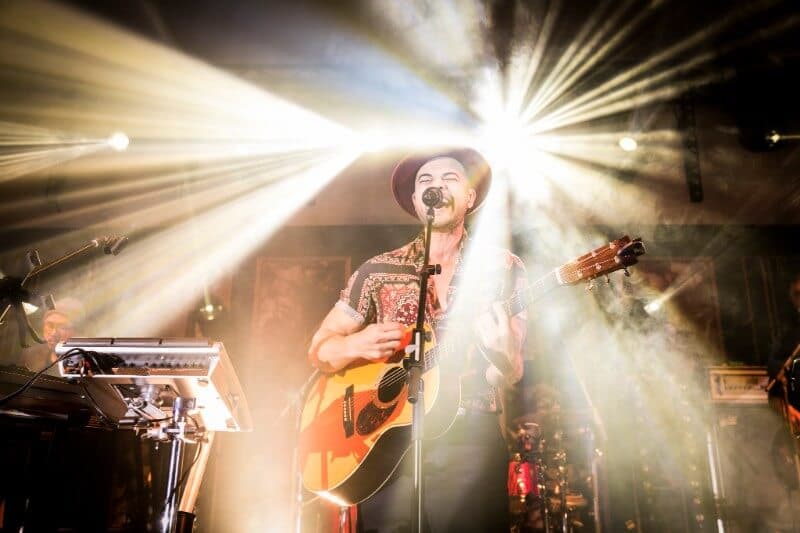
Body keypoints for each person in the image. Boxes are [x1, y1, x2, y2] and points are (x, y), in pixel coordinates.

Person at [308, 147, 527, 532]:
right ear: (415, 201)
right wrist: (355, 345)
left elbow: (511, 373)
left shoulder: (501, 267)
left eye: (449, 179)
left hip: (468, 440)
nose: (435, 186)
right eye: (426, 181)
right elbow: (319, 348)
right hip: (386, 447)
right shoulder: (376, 271)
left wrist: (503, 353)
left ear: (470, 197)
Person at [19, 296, 85, 374]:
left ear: (75, 332)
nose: (54, 333)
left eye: (62, 327)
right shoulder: (30, 357)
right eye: (50, 325)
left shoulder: (87, 368)